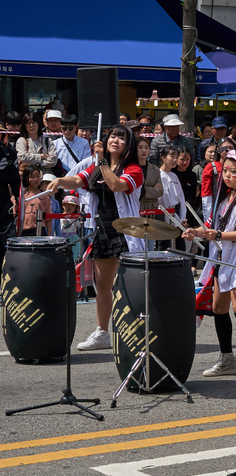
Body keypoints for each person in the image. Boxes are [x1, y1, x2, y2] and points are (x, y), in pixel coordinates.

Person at [48, 124, 144, 351]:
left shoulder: (133, 169)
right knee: (103, 285)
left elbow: (116, 185)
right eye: (113, 136)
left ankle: (132, 329)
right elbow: (78, 180)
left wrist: (101, 160)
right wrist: (60, 181)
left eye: (122, 138)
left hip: (126, 232)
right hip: (102, 230)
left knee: (127, 285)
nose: (116, 141)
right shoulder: (95, 166)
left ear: (128, 145)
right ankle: (102, 332)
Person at [183, 150, 236, 387]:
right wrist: (195, 232)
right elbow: (209, 227)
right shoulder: (224, 198)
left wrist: (218, 234)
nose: (228, 176)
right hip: (222, 259)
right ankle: (227, 357)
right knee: (219, 309)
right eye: (226, 171)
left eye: (234, 172)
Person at [0, 111, 22, 241]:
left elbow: (15, 179)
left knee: (6, 234)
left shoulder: (9, 153)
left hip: (3, 197)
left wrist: (17, 199)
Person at [16, 111, 58, 177]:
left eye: (34, 122)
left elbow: (53, 160)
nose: (31, 125)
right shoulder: (22, 141)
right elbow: (22, 157)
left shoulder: (47, 140)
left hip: (45, 177)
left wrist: (34, 162)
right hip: (29, 178)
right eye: (29, 123)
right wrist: (42, 156)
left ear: (38, 124)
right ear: (25, 126)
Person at [16, 165, 51, 236]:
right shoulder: (21, 194)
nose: (36, 179)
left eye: (38, 176)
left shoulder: (44, 195)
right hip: (23, 231)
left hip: (40, 230)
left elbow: (49, 218)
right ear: (26, 178)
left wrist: (49, 235)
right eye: (32, 177)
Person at [137, 137, 164, 226]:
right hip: (136, 210)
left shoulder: (155, 169)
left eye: (146, 147)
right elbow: (133, 191)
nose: (143, 150)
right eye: (140, 147)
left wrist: (142, 191)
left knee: (151, 238)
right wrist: (151, 190)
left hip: (151, 212)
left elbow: (160, 191)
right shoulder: (130, 168)